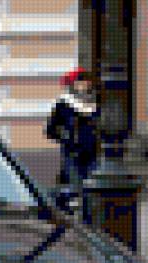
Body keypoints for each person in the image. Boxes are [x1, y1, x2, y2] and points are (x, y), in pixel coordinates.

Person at [46, 67, 98, 221]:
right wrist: (65, 137)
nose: (84, 85)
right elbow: (50, 129)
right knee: (75, 186)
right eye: (80, 81)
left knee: (90, 187)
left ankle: (87, 219)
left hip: (92, 152)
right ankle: (68, 215)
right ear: (73, 84)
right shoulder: (64, 103)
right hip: (72, 152)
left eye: (86, 81)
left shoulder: (95, 103)